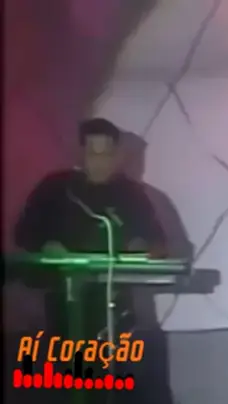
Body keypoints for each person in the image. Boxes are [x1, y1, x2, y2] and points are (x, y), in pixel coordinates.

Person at [13, 118, 167, 402]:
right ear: (81, 153)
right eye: (93, 153)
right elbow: (23, 232)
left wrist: (142, 246)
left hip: (116, 306)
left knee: (129, 376)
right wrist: (47, 245)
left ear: (117, 155)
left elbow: (156, 240)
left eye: (106, 154)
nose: (100, 162)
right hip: (66, 305)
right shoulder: (57, 189)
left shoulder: (131, 194)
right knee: (73, 381)